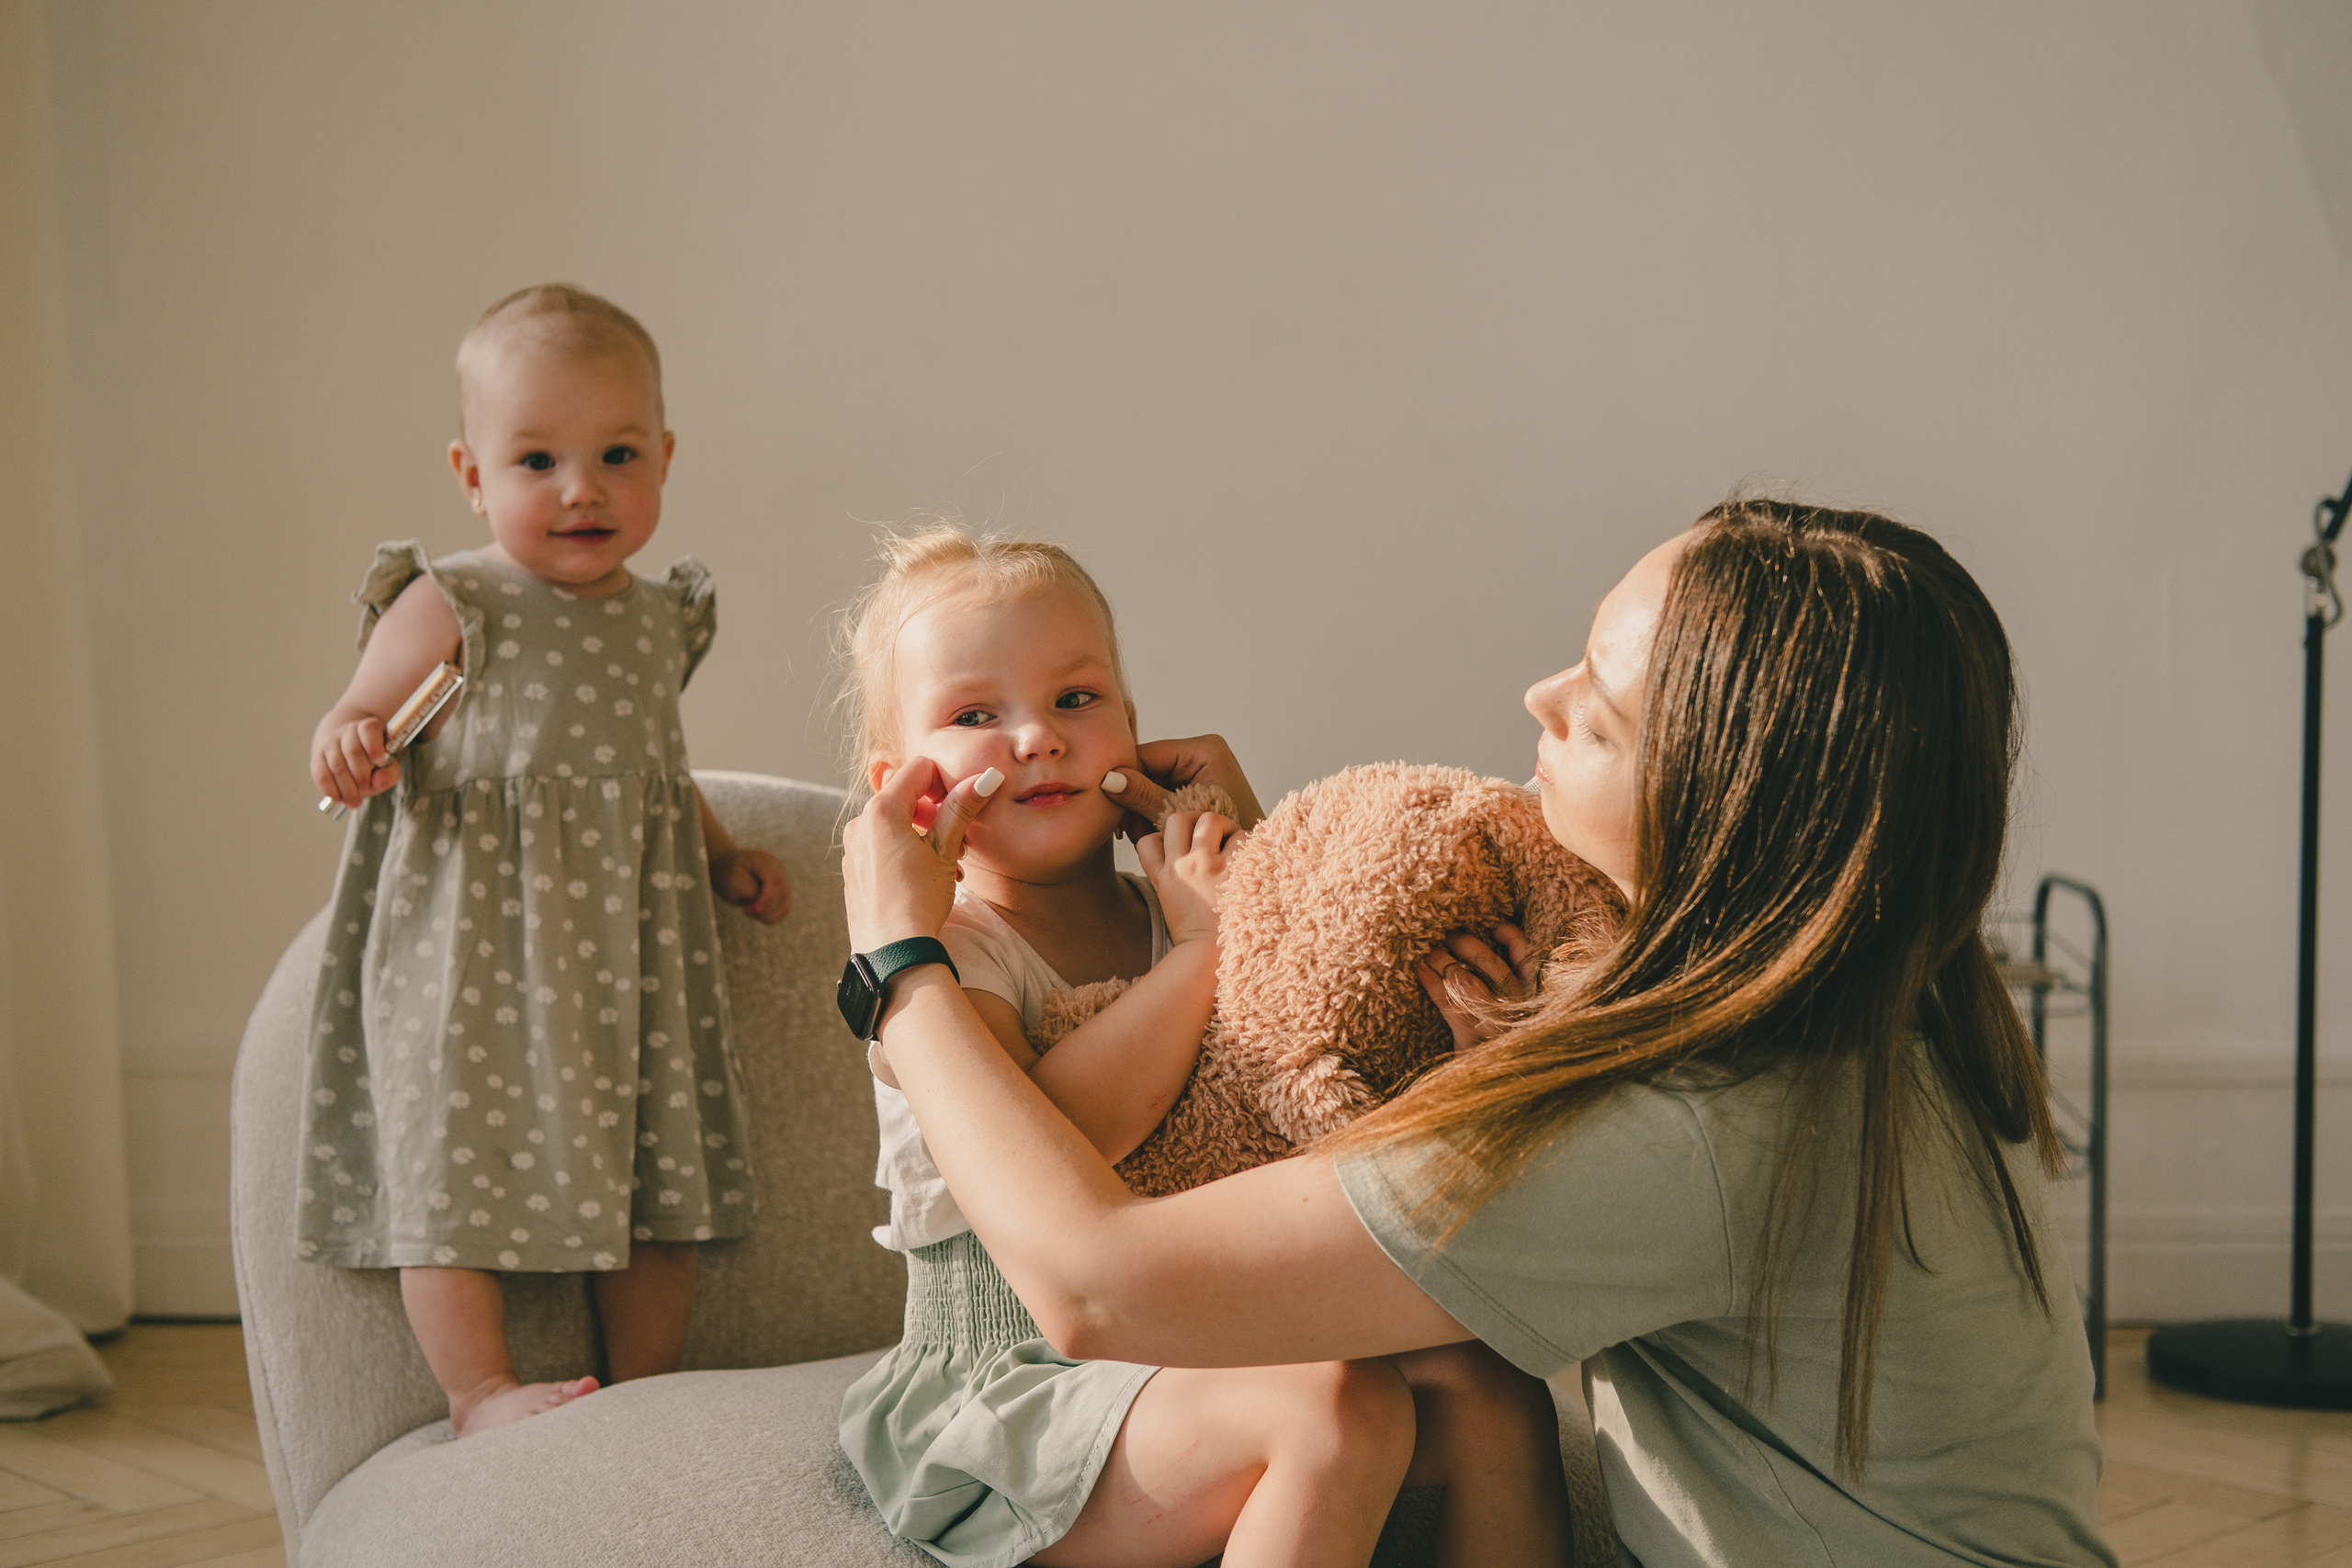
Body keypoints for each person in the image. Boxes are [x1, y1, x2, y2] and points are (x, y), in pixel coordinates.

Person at [840, 500, 2119, 1568]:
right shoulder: (1879, 1005)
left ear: (1715, 810)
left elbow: (1094, 1280)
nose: (1537, 693)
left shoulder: (1692, 1116)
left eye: (1601, 713)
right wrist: (1284, 889)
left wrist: (894, 956)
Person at [832, 525, 1573, 1568]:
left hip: (1195, 1334)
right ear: (901, 787)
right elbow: (1063, 1137)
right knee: (1329, 1407)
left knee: (1495, 1389)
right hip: (1010, 1388)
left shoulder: (1184, 901)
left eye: (1075, 700)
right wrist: (1201, 952)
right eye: (973, 715)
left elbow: (1298, 1076)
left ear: (1131, 730)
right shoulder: (949, 954)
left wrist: (1274, 894)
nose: (1037, 737)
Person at [298, 284, 792, 1436]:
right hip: (480, 952)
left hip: (632, 952)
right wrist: (351, 741)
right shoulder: (453, 601)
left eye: (617, 453)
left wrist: (719, 860)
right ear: (472, 473)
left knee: (655, 1171)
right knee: (452, 1164)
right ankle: (478, 1391)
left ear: (664, 458)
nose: (582, 487)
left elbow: (655, 778)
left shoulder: (659, 616)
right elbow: (356, 713)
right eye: (536, 460)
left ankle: (645, 1384)